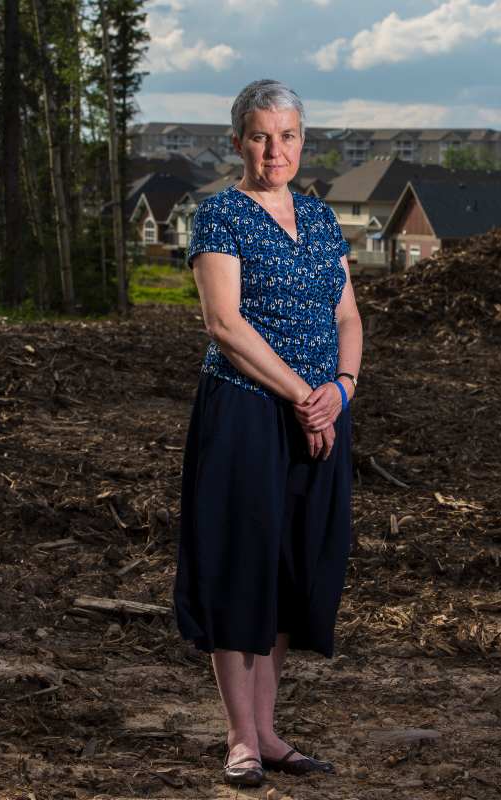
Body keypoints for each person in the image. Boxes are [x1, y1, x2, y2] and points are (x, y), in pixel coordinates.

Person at [172, 79, 363, 789]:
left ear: (302, 142)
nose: (274, 149)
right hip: (247, 413)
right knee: (239, 565)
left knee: (289, 569)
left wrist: (339, 391)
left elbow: (347, 317)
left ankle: (272, 730)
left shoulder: (318, 220)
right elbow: (224, 326)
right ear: (237, 141)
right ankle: (241, 739)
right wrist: (300, 397)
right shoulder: (218, 215)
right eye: (260, 135)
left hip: (318, 416)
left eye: (286, 135)